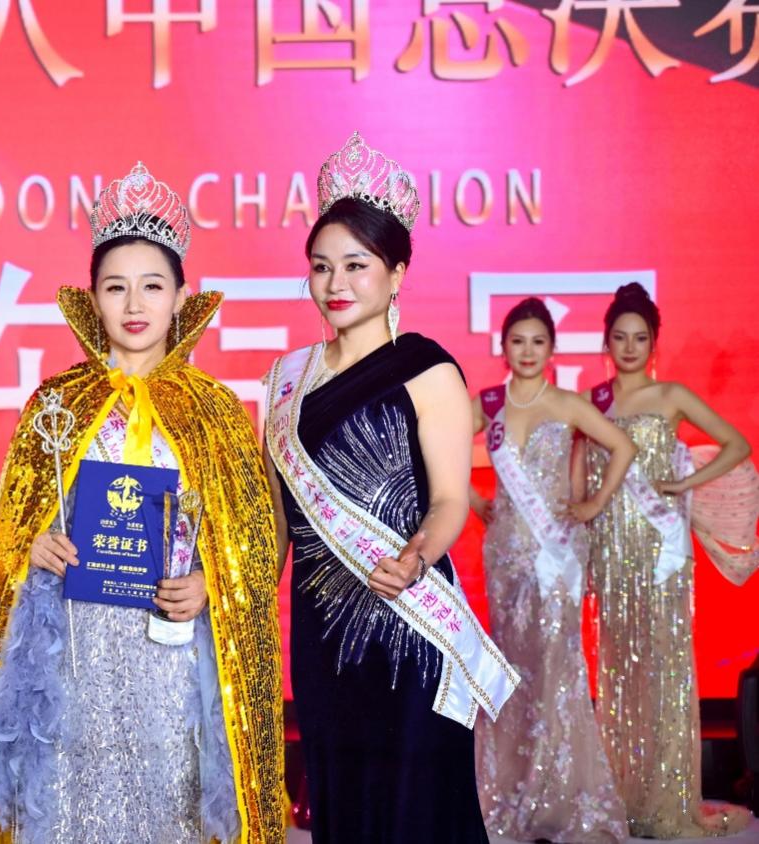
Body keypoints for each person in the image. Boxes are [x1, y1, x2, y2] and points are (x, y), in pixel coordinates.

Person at [0, 163, 286, 843]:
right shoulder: (56, 403)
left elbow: (252, 543)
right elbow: (11, 526)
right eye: (116, 286)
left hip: (171, 656)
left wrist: (211, 584)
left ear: (180, 297)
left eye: (152, 285)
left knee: (168, 806)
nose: (134, 304)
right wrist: (29, 548)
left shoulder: (215, 410)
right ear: (92, 299)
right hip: (74, 654)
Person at [262, 132, 519, 843]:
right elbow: (279, 519)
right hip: (320, 633)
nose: (335, 283)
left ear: (396, 272)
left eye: (356, 265)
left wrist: (413, 558)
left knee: (416, 804)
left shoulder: (427, 369)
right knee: (342, 800)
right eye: (321, 267)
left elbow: (449, 500)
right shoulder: (285, 380)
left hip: (407, 618)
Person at [581, 282, 753, 837]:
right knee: (619, 675)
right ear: (606, 342)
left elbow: (737, 444)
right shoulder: (592, 401)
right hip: (612, 552)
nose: (630, 347)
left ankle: (667, 799)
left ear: (654, 343)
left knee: (664, 672)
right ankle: (627, 796)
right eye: (620, 337)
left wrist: (685, 483)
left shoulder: (672, 395)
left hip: (660, 554)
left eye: (640, 338)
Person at [470, 297, 632, 843]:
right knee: (514, 669)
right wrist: (471, 499)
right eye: (517, 341)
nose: (528, 351)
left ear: (552, 348)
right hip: (506, 553)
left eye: (538, 341)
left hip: (556, 552)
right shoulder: (489, 404)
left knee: (557, 665)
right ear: (503, 347)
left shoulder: (566, 403)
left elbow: (623, 447)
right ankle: (514, 794)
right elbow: (436, 447)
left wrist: (592, 505)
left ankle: (558, 797)